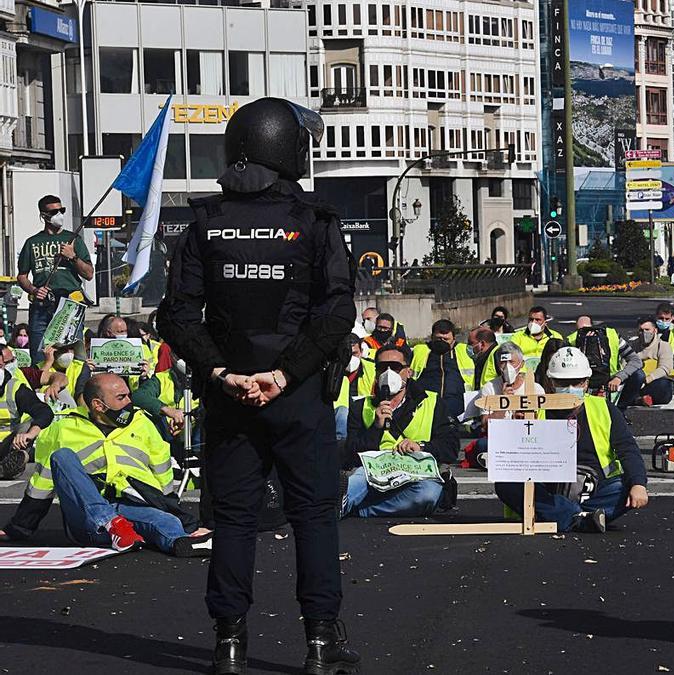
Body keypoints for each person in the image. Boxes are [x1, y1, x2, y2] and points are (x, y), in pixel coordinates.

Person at [155, 97, 360, 674]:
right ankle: (321, 645)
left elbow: (175, 316)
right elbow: (334, 315)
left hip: (228, 395)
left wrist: (222, 372)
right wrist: (283, 375)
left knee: (235, 520)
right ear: (290, 149)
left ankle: (228, 644)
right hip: (295, 394)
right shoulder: (315, 221)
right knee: (313, 516)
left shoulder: (202, 221)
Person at [0, 373, 211, 556]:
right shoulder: (63, 428)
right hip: (87, 517)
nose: (130, 402)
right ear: (98, 406)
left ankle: (182, 543)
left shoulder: (143, 422)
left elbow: (163, 479)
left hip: (132, 506)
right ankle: (109, 523)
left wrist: (188, 525)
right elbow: (42, 484)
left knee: (164, 522)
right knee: (62, 457)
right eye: (122, 398)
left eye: (128, 394)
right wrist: (18, 528)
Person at [493, 347, 649, 533]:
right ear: (551, 382)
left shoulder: (603, 408)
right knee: (505, 484)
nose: (570, 388)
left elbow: (628, 449)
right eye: (563, 382)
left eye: (576, 382)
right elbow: (517, 460)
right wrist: (518, 430)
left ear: (586, 383)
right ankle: (579, 518)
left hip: (597, 487)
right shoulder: (536, 410)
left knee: (628, 487)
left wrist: (639, 484)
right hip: (551, 488)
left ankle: (567, 516)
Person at [342, 346, 456, 517]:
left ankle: (364, 510)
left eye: (395, 367)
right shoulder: (361, 406)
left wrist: (421, 446)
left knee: (428, 494)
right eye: (382, 367)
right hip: (374, 473)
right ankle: (335, 509)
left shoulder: (431, 402)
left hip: (416, 473)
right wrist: (376, 428)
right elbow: (351, 451)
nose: (388, 372)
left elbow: (451, 447)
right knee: (356, 480)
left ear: (408, 372)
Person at [17, 195, 95, 358]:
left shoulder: (73, 239)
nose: (59, 214)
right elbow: (22, 276)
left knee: (74, 355)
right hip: (42, 304)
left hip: (70, 303)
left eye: (62, 210)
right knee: (39, 355)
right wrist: (33, 290)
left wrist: (72, 257)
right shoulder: (32, 242)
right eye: (54, 211)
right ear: (43, 215)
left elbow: (88, 274)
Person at [469, 342, 546, 462]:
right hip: (500, 438)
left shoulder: (535, 389)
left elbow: (543, 424)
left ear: (521, 364)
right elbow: (486, 426)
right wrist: (503, 403)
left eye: (512, 362)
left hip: (527, 439)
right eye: (503, 362)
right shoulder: (489, 388)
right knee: (482, 444)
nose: (507, 367)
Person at [0, 346, 54, 479]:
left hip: (7, 445)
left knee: (26, 425)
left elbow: (44, 411)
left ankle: (9, 464)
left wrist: (30, 434)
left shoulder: (15, 387)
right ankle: (3, 470)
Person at [567, 316, 643, 410]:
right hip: (583, 383)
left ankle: (620, 410)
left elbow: (636, 360)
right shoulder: (572, 340)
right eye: (582, 330)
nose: (586, 333)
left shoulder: (612, 336)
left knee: (638, 375)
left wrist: (619, 377)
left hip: (612, 381)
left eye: (588, 329)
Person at [412, 319, 476, 391]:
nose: (442, 341)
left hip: (458, 398)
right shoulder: (420, 350)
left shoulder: (465, 350)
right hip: (427, 400)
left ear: (454, 339)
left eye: (446, 339)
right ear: (432, 337)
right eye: (438, 339)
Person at [629, 317, 674, 406]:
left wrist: (648, 378)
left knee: (664, 384)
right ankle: (638, 400)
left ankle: (636, 399)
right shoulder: (632, 346)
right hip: (635, 381)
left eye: (647, 330)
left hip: (653, 381)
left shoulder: (663, 345)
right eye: (641, 330)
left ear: (655, 330)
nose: (644, 333)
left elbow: (665, 368)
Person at [468, 326, 498, 390]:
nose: (469, 347)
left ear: (482, 344)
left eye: (471, 343)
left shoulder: (498, 355)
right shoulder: (481, 358)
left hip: (493, 399)